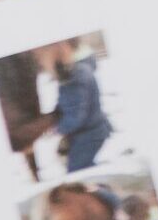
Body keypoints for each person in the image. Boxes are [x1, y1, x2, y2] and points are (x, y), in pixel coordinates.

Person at [34, 40, 112, 173]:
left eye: (42, 61)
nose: (42, 65)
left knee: (76, 170)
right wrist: (54, 116)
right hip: (92, 129)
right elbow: (67, 103)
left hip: (89, 134)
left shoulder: (73, 78)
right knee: (81, 165)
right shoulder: (76, 72)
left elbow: (75, 116)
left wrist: (58, 129)